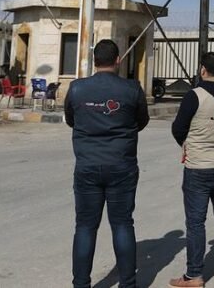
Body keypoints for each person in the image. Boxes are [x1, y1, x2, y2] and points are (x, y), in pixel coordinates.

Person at [64, 39, 149, 288]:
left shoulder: (77, 88)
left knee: (85, 227)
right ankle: (128, 283)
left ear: (94, 61)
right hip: (121, 165)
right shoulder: (132, 89)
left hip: (87, 166)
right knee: (122, 223)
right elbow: (140, 121)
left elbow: (72, 119)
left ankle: (81, 284)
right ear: (118, 60)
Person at [169, 52, 214, 287]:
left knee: (195, 222)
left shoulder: (195, 96)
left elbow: (178, 128)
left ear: (203, 70)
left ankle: (194, 275)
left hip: (198, 166)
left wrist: (188, 144)